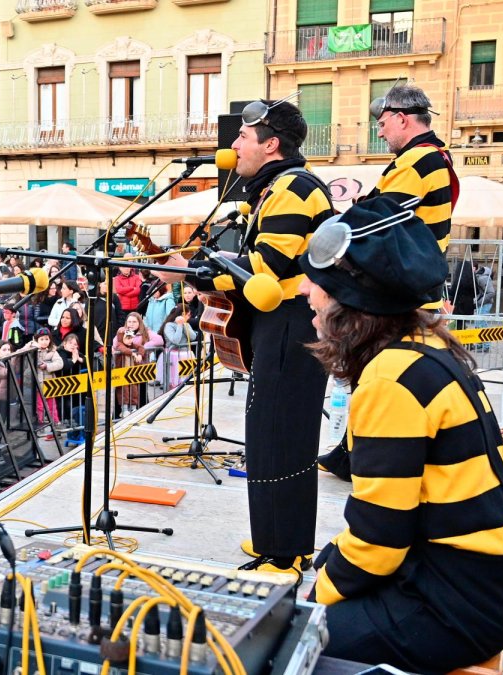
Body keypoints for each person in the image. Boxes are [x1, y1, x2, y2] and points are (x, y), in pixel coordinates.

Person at [298, 196, 503, 671]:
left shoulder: (389, 379)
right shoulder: (424, 347)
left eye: (317, 281)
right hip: (484, 582)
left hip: (453, 604)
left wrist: (314, 596)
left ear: (351, 302)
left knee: (289, 639)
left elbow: (379, 542)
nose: (304, 289)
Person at [156, 95, 332, 573]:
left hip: (294, 324)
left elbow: (265, 268)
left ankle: (286, 553)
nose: (233, 145)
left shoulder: (293, 188)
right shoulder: (276, 188)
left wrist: (191, 273)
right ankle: (276, 539)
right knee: (269, 435)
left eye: (242, 136)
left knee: (282, 437)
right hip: (283, 323)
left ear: (270, 145)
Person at [368, 84, 459, 278]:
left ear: (401, 119)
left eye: (382, 125)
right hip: (426, 277)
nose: (380, 134)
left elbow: (374, 228)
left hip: (406, 287)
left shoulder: (414, 161)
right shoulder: (439, 152)